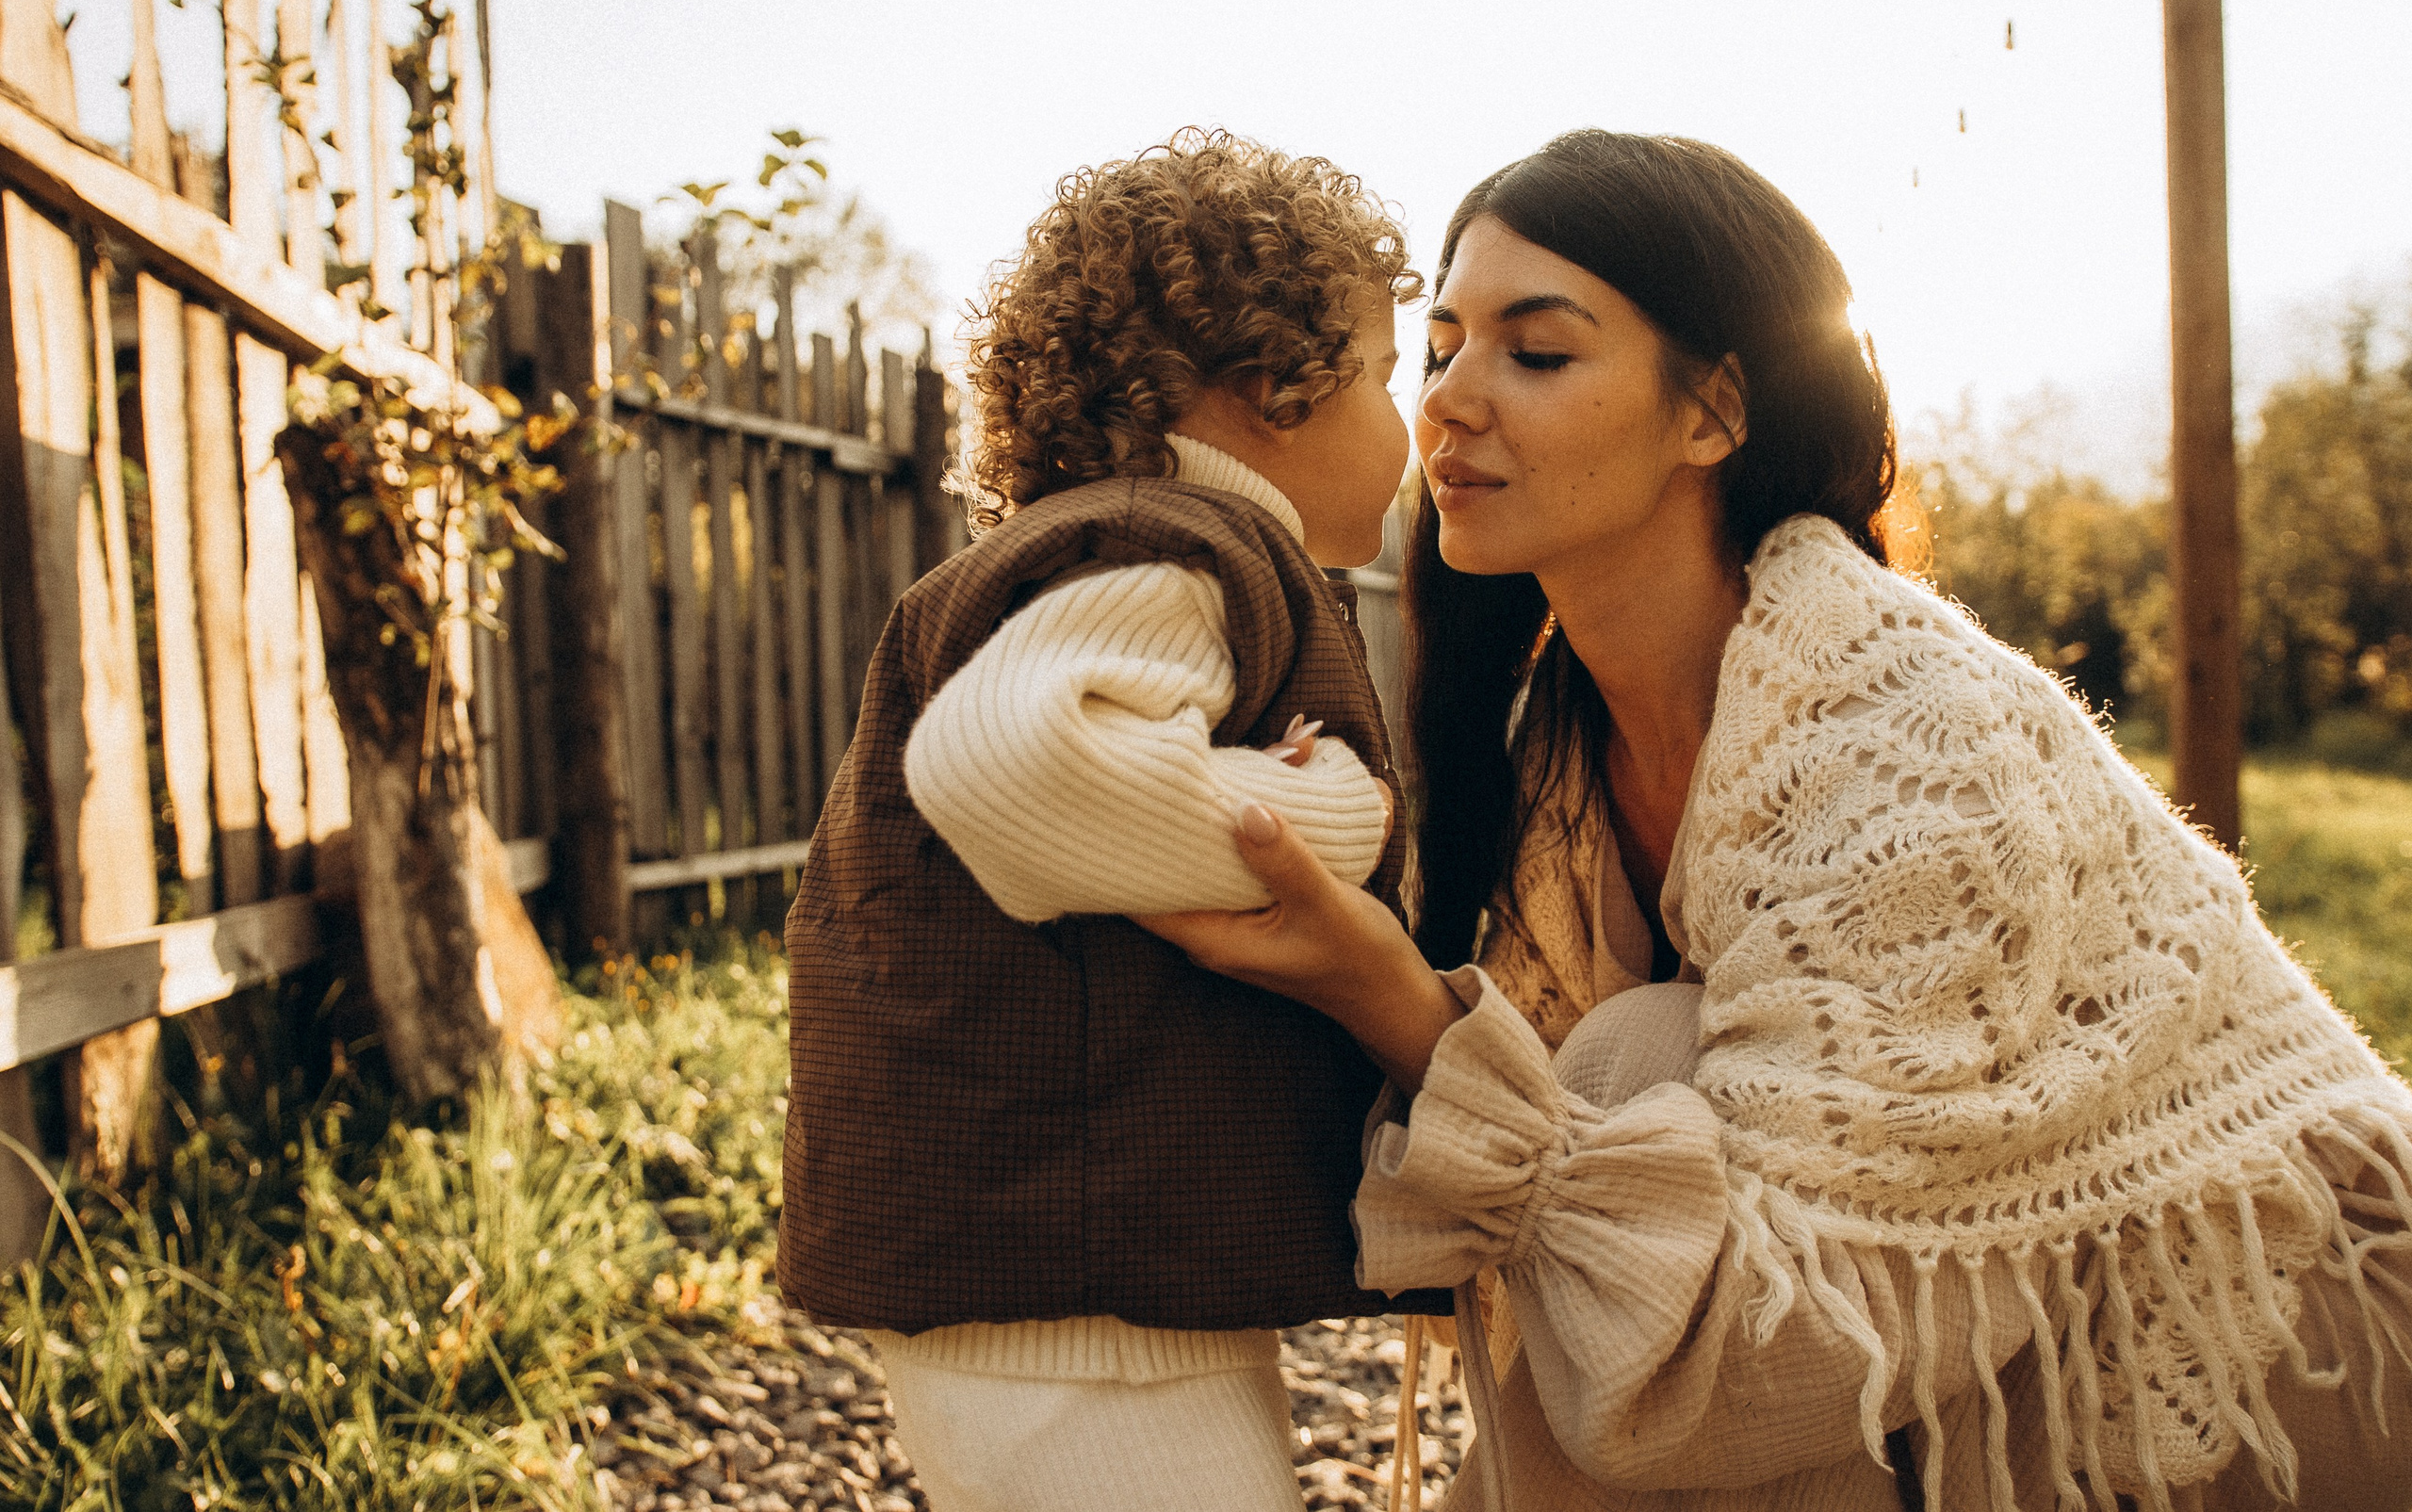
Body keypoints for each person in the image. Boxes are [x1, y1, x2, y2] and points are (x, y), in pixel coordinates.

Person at [1137, 131, 2412, 1510]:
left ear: (1714, 412)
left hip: (2279, 1358)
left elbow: (1763, 1354)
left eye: (1537, 352)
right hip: (1967, 1363)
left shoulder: (1907, 740)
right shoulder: (1553, 744)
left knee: (1629, 1066)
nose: (1448, 403)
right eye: (1439, 349)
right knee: (1630, 1086)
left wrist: (1392, 996)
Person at [777, 129, 1448, 1512]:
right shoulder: (1165, 543)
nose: (1417, 426)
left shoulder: (1148, 544)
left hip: (1082, 1278)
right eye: (1388, 378)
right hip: (1066, 1292)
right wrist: (1331, 815)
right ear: (1276, 383)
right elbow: (1012, 770)